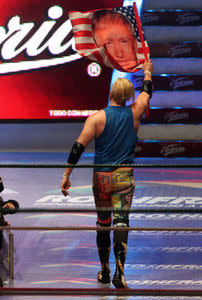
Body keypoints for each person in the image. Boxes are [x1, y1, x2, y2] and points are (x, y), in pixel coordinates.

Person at [60, 60, 153, 289]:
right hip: (124, 177)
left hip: (102, 178)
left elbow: (77, 147)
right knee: (121, 223)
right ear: (129, 94)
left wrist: (66, 175)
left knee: (103, 223)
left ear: (111, 92)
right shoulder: (135, 112)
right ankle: (120, 273)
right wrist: (148, 72)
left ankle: (104, 269)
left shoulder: (96, 118)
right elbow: (146, 93)